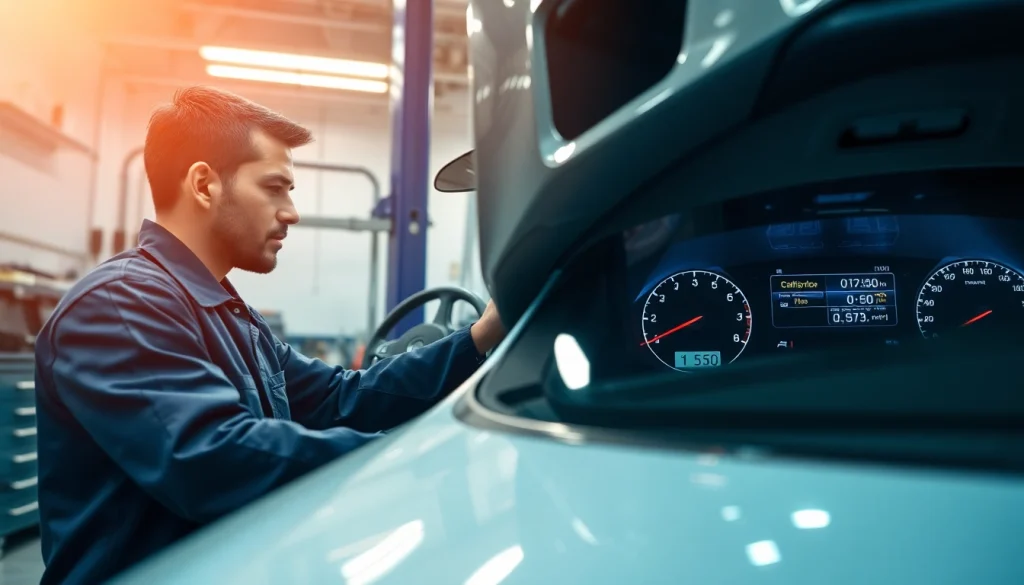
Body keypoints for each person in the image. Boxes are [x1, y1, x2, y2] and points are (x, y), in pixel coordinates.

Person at [32, 86, 507, 585]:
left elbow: (338, 398)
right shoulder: (121, 304)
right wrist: (406, 456)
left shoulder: (227, 310)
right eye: (275, 187)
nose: (292, 212)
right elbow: (213, 457)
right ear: (203, 184)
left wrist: (479, 336)